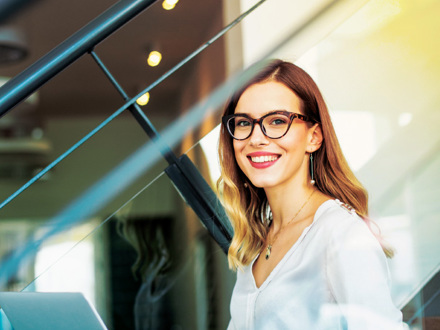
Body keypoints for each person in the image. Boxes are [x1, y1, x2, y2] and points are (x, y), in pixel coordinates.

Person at [217, 60, 404, 329]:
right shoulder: (257, 239)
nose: (256, 138)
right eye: (244, 123)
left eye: (277, 120)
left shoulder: (340, 234)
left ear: (314, 137)